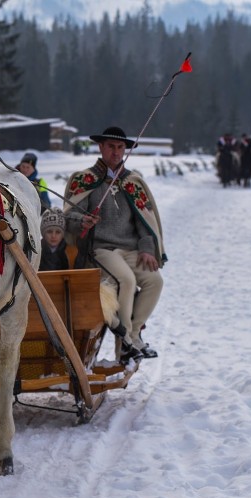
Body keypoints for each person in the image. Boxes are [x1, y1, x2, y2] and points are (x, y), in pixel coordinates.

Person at [63, 126, 166, 365]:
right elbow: (69, 217)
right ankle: (126, 344)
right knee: (126, 280)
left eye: (120, 147)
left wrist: (148, 249)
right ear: (101, 147)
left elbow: (144, 221)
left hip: (131, 249)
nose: (116, 152)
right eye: (111, 146)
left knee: (155, 281)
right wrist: (84, 221)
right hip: (101, 249)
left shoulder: (132, 181)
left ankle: (134, 333)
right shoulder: (86, 179)